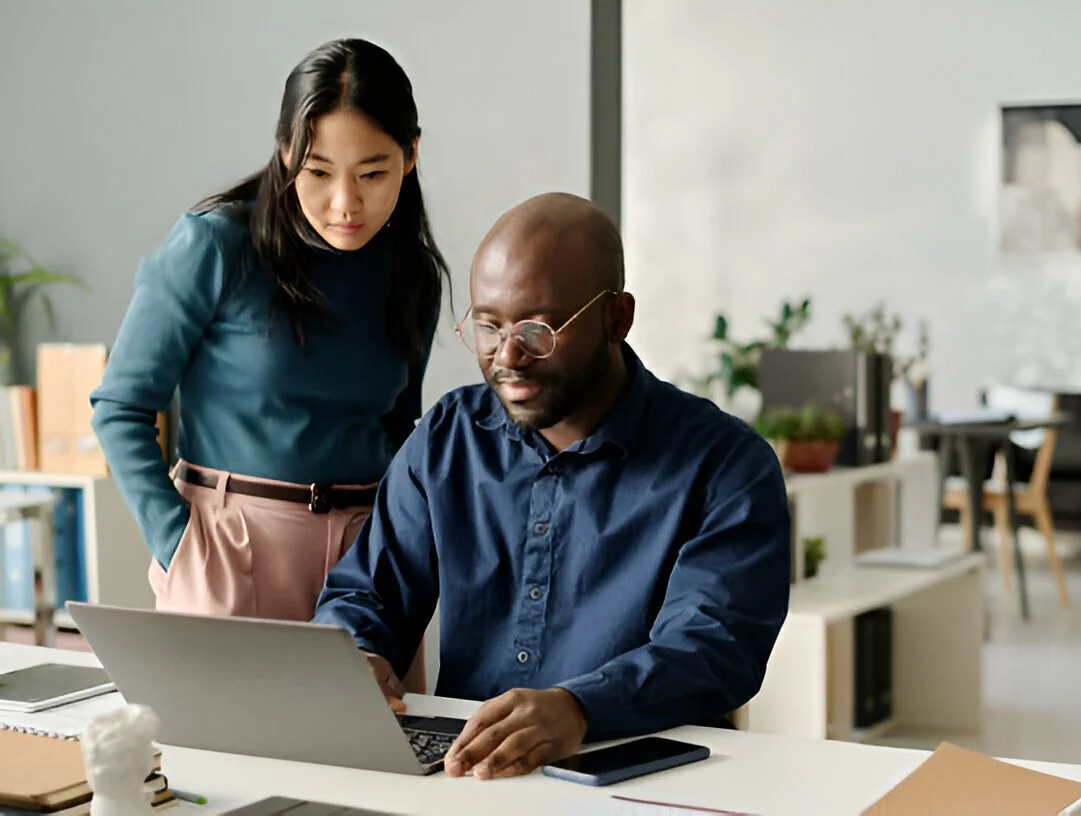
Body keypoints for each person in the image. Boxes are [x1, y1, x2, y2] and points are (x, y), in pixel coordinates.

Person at [313, 191, 792, 780]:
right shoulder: (448, 437)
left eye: (539, 330)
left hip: (643, 785)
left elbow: (714, 648)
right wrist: (357, 654)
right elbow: (367, 592)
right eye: (488, 326)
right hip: (474, 784)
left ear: (617, 317)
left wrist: (581, 708)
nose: (508, 356)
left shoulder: (725, 465)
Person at [90, 38, 444, 692]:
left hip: (368, 566)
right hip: (230, 549)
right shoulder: (216, 244)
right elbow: (121, 406)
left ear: (410, 157)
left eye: (372, 173)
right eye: (318, 171)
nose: (346, 203)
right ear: (285, 152)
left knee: (381, 769)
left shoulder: (410, 274)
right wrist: (181, 547)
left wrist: (397, 552)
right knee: (225, 771)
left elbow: (400, 430)